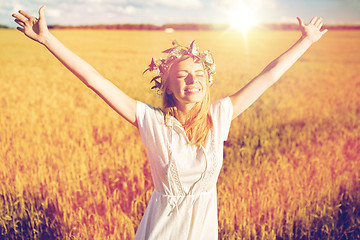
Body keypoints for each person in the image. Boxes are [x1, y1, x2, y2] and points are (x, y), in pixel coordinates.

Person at [12, 6, 327, 239]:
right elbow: (95, 80)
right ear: (168, 86)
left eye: (199, 75)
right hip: (162, 231)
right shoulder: (151, 121)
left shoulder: (219, 116)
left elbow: (268, 76)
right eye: (182, 76)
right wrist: (48, 40)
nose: (193, 81)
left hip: (204, 231)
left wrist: (307, 41)